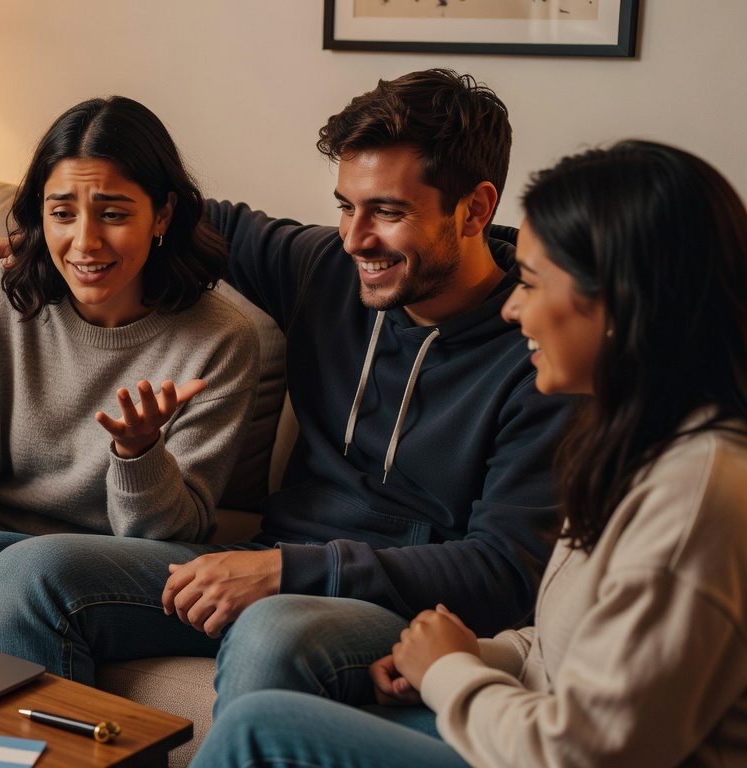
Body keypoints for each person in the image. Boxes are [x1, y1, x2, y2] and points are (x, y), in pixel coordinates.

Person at [0, 69, 573, 705]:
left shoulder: (542, 354)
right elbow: (185, 210)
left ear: (475, 208)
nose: (355, 238)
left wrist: (287, 572)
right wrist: (62, 240)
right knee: (34, 573)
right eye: (345, 205)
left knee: (272, 633)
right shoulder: (323, 269)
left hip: (405, 610)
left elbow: (506, 571)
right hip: (267, 559)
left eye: (387, 212)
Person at [191, 139, 747, 767]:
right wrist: (484, 655)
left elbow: (585, 754)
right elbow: (576, 647)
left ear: (623, 302)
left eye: (532, 284)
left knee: (263, 730)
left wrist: (452, 673)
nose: (514, 307)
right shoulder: (637, 446)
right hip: (518, 718)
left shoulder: (693, 499)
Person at [0, 95, 261, 645]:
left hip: (107, 558)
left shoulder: (220, 339)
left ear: (163, 215)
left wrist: (139, 454)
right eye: (62, 214)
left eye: (114, 213)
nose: (85, 242)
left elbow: (174, 534)